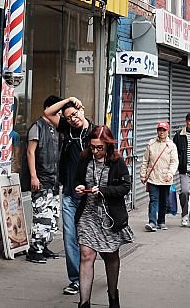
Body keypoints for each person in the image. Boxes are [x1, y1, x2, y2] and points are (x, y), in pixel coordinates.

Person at [75, 125, 133, 308]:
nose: (95, 150)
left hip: (109, 216)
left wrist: (104, 191)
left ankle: (113, 296)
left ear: (107, 145)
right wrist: (78, 188)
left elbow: (125, 187)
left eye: (99, 147)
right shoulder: (85, 159)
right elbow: (77, 180)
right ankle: (84, 303)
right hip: (88, 213)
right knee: (86, 255)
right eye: (92, 146)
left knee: (110, 255)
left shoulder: (117, 162)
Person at [44, 95, 91, 296]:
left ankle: (109, 266)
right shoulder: (67, 129)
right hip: (71, 195)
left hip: (91, 197)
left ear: (82, 110)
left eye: (74, 114)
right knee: (70, 237)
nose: (72, 119)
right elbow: (47, 113)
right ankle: (76, 279)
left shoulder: (95, 133)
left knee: (94, 239)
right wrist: (68, 100)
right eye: (68, 117)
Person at [26, 95, 63, 263]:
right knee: (41, 216)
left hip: (54, 179)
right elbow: (30, 151)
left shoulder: (56, 128)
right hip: (42, 177)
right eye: (57, 112)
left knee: (52, 217)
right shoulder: (37, 126)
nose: (59, 116)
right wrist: (33, 176)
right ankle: (35, 250)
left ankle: (44, 245)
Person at [138, 121, 178, 231]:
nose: (161, 132)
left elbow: (174, 162)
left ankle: (161, 221)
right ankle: (152, 222)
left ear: (167, 131)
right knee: (153, 199)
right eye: (160, 130)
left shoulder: (171, 146)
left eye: (164, 130)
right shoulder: (151, 144)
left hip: (165, 178)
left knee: (164, 201)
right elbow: (145, 160)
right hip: (153, 177)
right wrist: (143, 175)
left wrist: (170, 174)